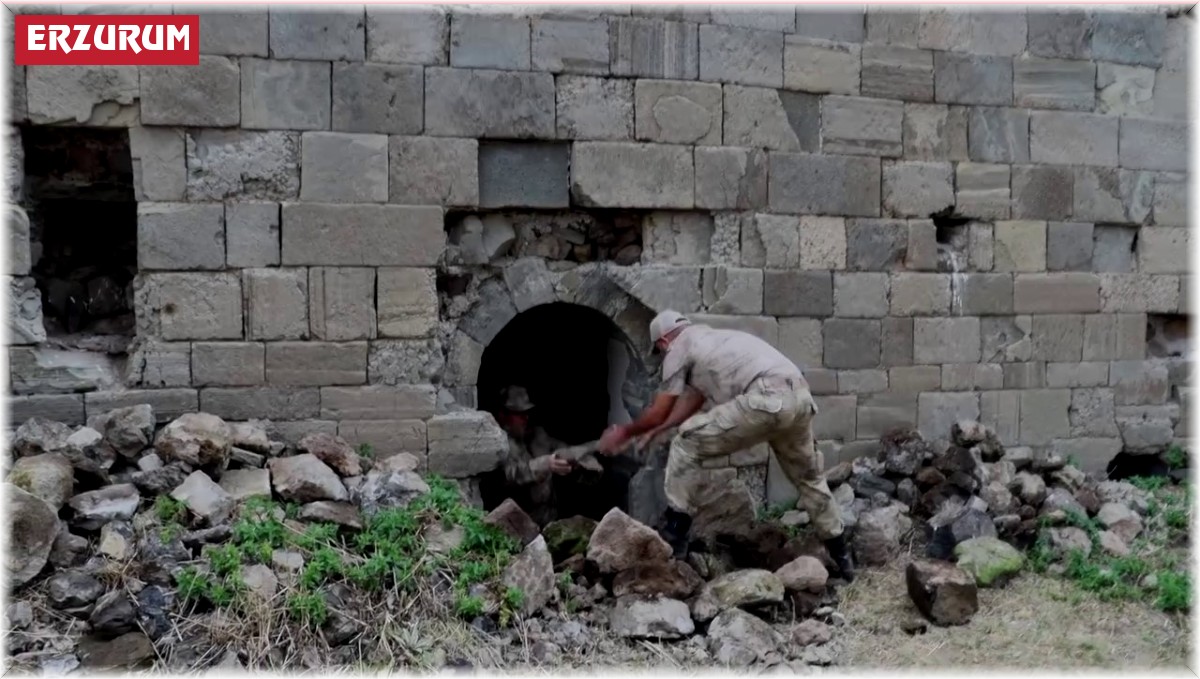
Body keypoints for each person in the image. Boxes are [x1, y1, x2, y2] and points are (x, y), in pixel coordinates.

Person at [597, 310, 855, 581]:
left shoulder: (678, 347)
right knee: (810, 480)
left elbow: (662, 408)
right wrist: (656, 430)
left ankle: (675, 535)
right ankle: (843, 558)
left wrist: (625, 432)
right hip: (799, 398)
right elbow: (693, 400)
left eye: (659, 351)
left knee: (686, 442)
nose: (662, 355)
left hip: (766, 400)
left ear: (662, 341)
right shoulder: (712, 341)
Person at [494, 385, 575, 525]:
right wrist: (545, 464)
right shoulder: (497, 444)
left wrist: (576, 456)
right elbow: (511, 475)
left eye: (527, 413)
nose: (525, 418)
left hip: (549, 520)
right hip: (520, 526)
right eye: (519, 414)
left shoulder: (534, 434)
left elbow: (557, 445)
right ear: (503, 415)